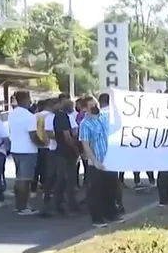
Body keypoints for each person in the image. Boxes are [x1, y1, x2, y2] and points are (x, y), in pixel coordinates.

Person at [79, 98, 124, 227]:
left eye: (96, 104)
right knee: (96, 192)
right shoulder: (85, 124)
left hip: (110, 161)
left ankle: (111, 214)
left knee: (111, 190)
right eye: (91, 106)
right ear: (85, 109)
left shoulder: (105, 117)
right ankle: (97, 218)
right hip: (96, 163)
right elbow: (86, 145)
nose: (95, 107)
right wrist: (95, 161)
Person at [7, 91, 41, 215]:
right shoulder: (29, 116)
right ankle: (23, 207)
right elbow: (33, 135)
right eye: (29, 98)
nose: (30, 101)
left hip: (15, 149)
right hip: (28, 150)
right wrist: (41, 144)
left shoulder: (12, 114)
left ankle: (18, 205)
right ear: (25, 99)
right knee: (25, 180)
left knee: (19, 178)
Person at [51, 94, 81, 216]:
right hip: (66, 152)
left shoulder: (59, 116)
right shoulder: (62, 117)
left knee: (62, 179)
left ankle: (58, 205)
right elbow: (67, 137)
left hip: (61, 151)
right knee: (69, 179)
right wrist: (76, 149)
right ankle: (70, 207)